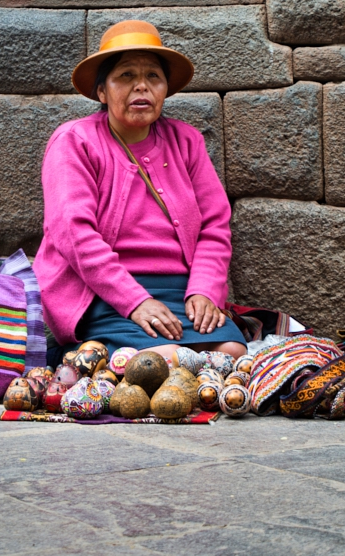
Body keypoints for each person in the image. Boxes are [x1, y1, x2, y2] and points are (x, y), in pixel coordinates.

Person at [34, 20, 247, 363]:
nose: (141, 87)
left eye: (153, 77)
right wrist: (135, 300)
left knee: (232, 352)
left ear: (165, 89)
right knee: (164, 358)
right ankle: (83, 353)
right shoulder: (74, 141)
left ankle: (105, 361)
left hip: (181, 292)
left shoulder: (186, 141)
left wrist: (205, 290)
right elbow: (73, 232)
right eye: (126, 76)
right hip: (101, 292)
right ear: (102, 92)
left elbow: (215, 225)